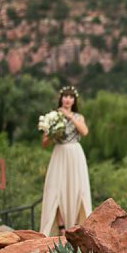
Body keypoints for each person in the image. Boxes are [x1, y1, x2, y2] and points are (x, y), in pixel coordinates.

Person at [39, 86, 92, 236]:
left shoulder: (78, 116)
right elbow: (44, 143)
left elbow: (84, 131)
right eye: (65, 96)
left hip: (75, 154)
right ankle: (60, 227)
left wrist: (69, 116)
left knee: (77, 188)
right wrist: (51, 131)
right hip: (59, 154)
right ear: (61, 98)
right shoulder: (53, 116)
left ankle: (76, 226)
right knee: (55, 189)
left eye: (71, 97)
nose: (68, 99)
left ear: (74, 100)